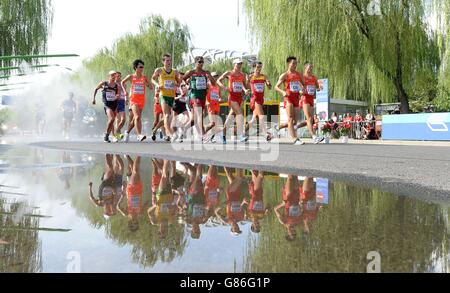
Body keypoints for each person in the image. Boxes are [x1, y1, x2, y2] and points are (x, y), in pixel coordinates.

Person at [183, 56, 217, 142]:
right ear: (195, 63)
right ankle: (203, 135)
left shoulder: (206, 72)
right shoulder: (191, 72)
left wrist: (210, 76)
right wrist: (187, 84)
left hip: (202, 97)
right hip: (194, 96)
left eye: (202, 62)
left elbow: (214, 83)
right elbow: (182, 79)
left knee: (194, 120)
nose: (201, 63)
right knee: (200, 115)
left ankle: (183, 130)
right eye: (199, 62)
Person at [217, 58, 250, 144]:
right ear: (234, 64)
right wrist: (224, 87)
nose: (239, 66)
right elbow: (218, 80)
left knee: (230, 118)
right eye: (237, 64)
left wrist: (247, 83)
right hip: (231, 98)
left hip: (239, 98)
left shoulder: (242, 75)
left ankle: (223, 135)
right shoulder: (229, 73)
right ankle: (240, 135)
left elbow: (245, 86)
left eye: (240, 64)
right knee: (240, 113)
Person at [274, 57, 306, 145]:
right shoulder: (285, 75)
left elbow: (304, 85)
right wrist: (283, 92)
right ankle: (295, 139)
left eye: (296, 63)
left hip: (296, 98)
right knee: (290, 119)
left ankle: (278, 127)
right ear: (289, 64)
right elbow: (276, 87)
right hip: (288, 98)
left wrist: (302, 90)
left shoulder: (299, 75)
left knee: (295, 121)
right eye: (293, 63)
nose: (295, 65)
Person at [152, 54, 182, 142]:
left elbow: (179, 82)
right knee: (167, 115)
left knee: (168, 117)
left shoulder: (175, 71)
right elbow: (152, 79)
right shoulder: (159, 70)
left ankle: (155, 129)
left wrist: (176, 84)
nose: (169, 62)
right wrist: (157, 85)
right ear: (163, 61)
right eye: (167, 60)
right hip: (163, 95)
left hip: (171, 96)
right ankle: (170, 134)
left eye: (170, 60)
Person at [122, 59, 154, 143]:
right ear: (135, 67)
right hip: (133, 100)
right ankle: (139, 135)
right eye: (140, 67)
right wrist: (125, 91)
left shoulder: (144, 77)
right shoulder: (131, 77)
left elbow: (151, 87)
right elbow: (122, 82)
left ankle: (127, 132)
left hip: (141, 101)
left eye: (143, 67)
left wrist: (147, 84)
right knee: (137, 117)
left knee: (134, 119)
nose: (142, 69)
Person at [118, 156, 149, 232]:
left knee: (135, 171)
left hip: (130, 190)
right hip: (138, 189)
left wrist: (122, 196)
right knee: (134, 170)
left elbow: (118, 206)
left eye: (133, 224)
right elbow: (147, 202)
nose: (135, 222)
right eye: (136, 224)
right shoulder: (140, 213)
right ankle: (128, 155)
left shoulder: (126, 213)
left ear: (130, 223)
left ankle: (139, 153)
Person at [244, 61, 273, 142]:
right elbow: (246, 87)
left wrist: (268, 83)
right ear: (254, 67)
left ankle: (244, 132)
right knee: (262, 116)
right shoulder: (251, 77)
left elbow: (270, 87)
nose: (259, 69)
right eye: (257, 67)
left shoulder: (264, 76)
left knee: (253, 120)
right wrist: (247, 81)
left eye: (260, 67)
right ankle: (266, 134)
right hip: (255, 99)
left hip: (261, 99)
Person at [215, 168, 247, 236]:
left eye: (235, 229)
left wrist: (223, 205)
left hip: (230, 193)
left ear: (231, 229)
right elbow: (240, 206)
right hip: (238, 194)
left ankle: (240, 162)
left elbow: (216, 212)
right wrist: (243, 202)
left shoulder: (226, 220)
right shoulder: (241, 218)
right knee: (229, 175)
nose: (237, 227)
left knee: (239, 178)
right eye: (238, 229)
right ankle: (226, 164)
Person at [299, 62, 324, 144]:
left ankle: (295, 127)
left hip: (311, 99)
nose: (310, 69)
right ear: (305, 68)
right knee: (309, 118)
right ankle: (314, 137)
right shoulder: (302, 77)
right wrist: (300, 91)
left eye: (311, 68)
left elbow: (317, 88)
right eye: (309, 68)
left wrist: (320, 87)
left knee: (310, 119)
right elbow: (298, 89)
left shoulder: (314, 77)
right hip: (305, 98)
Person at [93, 71, 120, 143]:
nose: (113, 76)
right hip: (107, 104)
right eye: (112, 75)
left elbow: (118, 94)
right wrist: (94, 99)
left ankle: (108, 136)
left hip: (114, 104)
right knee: (112, 119)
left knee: (112, 121)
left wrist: (116, 96)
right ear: (109, 76)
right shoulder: (104, 83)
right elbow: (96, 89)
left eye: (115, 75)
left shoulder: (116, 85)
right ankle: (107, 135)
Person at [274, 175, 302, 241]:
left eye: (292, 234)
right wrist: (301, 204)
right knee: (295, 176)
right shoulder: (298, 222)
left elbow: (275, 209)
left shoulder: (283, 222)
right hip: (296, 198)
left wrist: (282, 204)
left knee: (290, 177)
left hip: (288, 198)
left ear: (288, 233)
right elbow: (301, 210)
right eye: (295, 234)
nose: (293, 232)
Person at [204, 72, 223, 143]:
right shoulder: (208, 85)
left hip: (217, 106)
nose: (215, 78)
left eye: (216, 76)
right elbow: (204, 94)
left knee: (215, 124)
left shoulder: (217, 86)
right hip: (210, 106)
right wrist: (206, 102)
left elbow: (219, 96)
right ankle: (203, 134)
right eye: (214, 76)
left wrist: (220, 99)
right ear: (210, 77)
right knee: (212, 123)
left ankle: (211, 138)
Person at [113, 72, 128, 142]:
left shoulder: (123, 84)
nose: (118, 77)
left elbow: (125, 93)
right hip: (115, 102)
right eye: (117, 76)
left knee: (123, 119)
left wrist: (126, 99)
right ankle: (117, 135)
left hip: (122, 102)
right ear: (115, 76)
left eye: (120, 76)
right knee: (117, 119)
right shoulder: (113, 84)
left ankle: (117, 131)